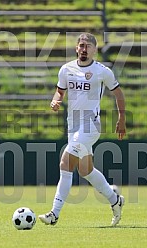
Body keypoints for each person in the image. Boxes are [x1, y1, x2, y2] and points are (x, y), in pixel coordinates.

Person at [39, 33, 126, 226]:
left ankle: (54, 213)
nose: (84, 49)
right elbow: (60, 91)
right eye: (81, 45)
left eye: (88, 46)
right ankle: (115, 200)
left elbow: (118, 93)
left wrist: (121, 118)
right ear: (76, 48)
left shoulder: (102, 71)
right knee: (86, 170)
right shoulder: (66, 69)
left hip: (91, 125)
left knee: (65, 163)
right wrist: (56, 101)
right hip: (74, 127)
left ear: (94, 50)